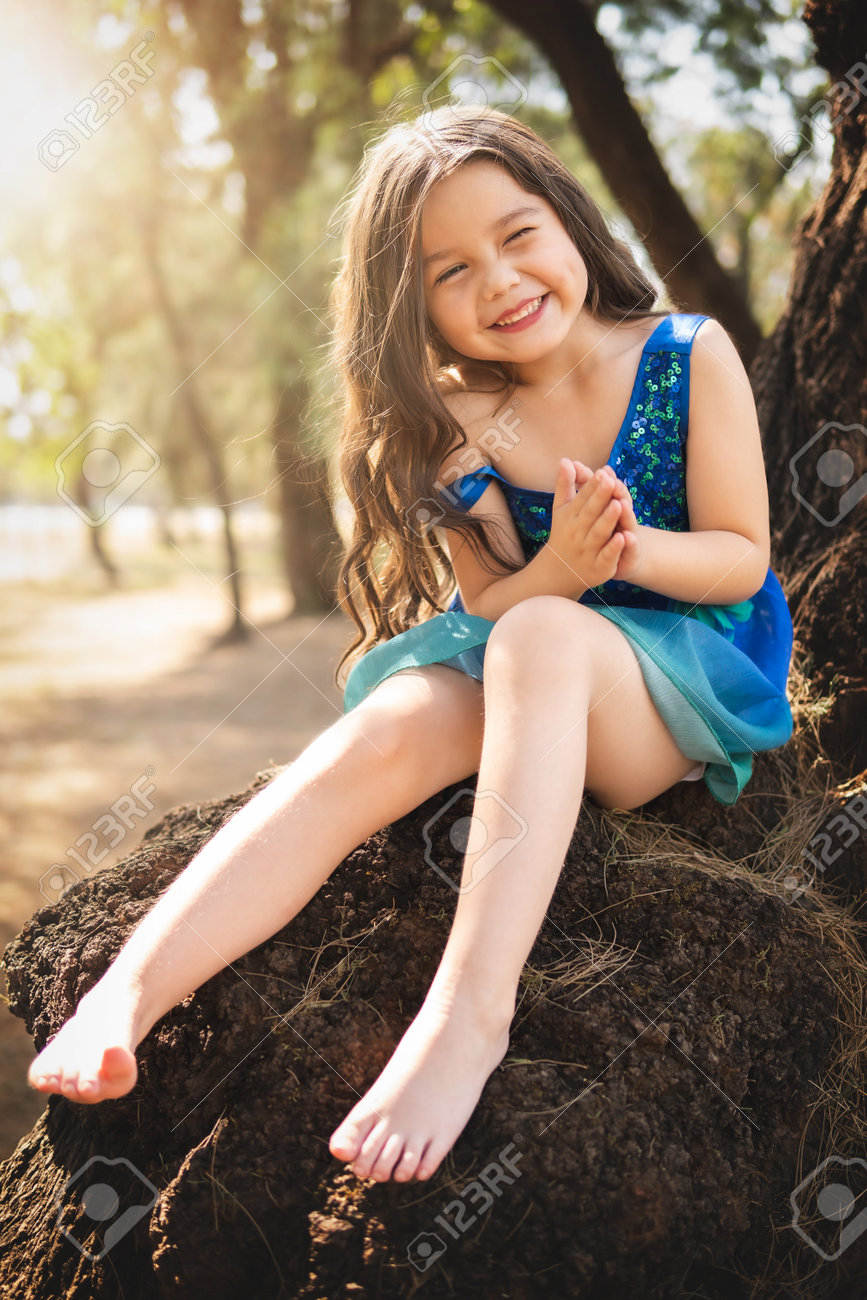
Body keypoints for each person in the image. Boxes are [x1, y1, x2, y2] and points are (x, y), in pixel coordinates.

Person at [26, 105, 793, 1187]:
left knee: (543, 637)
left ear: (570, 223)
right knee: (388, 723)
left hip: (678, 673)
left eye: (518, 235)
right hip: (531, 646)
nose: (499, 280)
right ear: (413, 308)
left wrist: (620, 553)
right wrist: (560, 571)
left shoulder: (681, 353)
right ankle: (135, 984)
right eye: (450, 271)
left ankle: (466, 1017)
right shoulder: (455, 419)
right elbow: (490, 608)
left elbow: (743, 558)